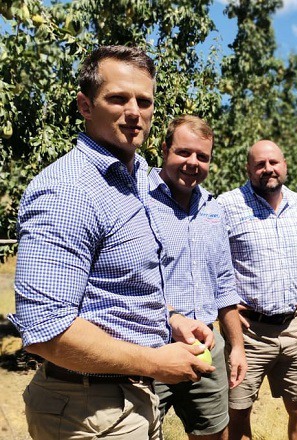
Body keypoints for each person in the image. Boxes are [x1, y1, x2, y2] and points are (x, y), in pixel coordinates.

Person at [8, 45, 214, 440]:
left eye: (144, 101)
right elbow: (46, 329)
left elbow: (117, 289)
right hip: (88, 409)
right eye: (118, 98)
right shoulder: (69, 190)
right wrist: (154, 362)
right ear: (85, 106)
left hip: (124, 398)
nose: (134, 112)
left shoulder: (133, 179)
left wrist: (170, 320)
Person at [148, 115, 247, 440]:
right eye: (184, 152)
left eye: (202, 156)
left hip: (206, 344)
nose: (193, 162)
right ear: (165, 149)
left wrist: (236, 347)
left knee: (213, 433)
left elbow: (224, 284)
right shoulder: (139, 202)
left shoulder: (213, 209)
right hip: (150, 346)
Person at [217, 140, 297, 440]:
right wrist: (226, 308)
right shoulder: (226, 206)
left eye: (274, 162)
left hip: (294, 328)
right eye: (260, 164)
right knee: (237, 413)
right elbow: (209, 261)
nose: (268, 169)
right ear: (248, 169)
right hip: (248, 333)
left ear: (284, 165)